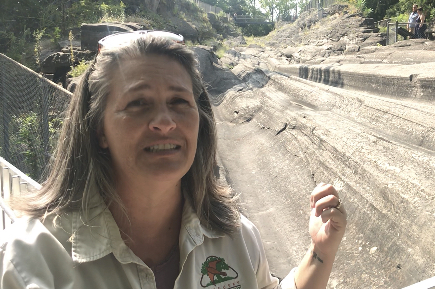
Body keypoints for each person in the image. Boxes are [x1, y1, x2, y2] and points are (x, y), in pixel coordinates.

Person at [0, 35, 347, 289]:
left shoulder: (235, 236)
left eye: (180, 102)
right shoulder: (32, 258)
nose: (164, 121)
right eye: (138, 103)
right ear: (98, 128)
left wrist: (319, 253)